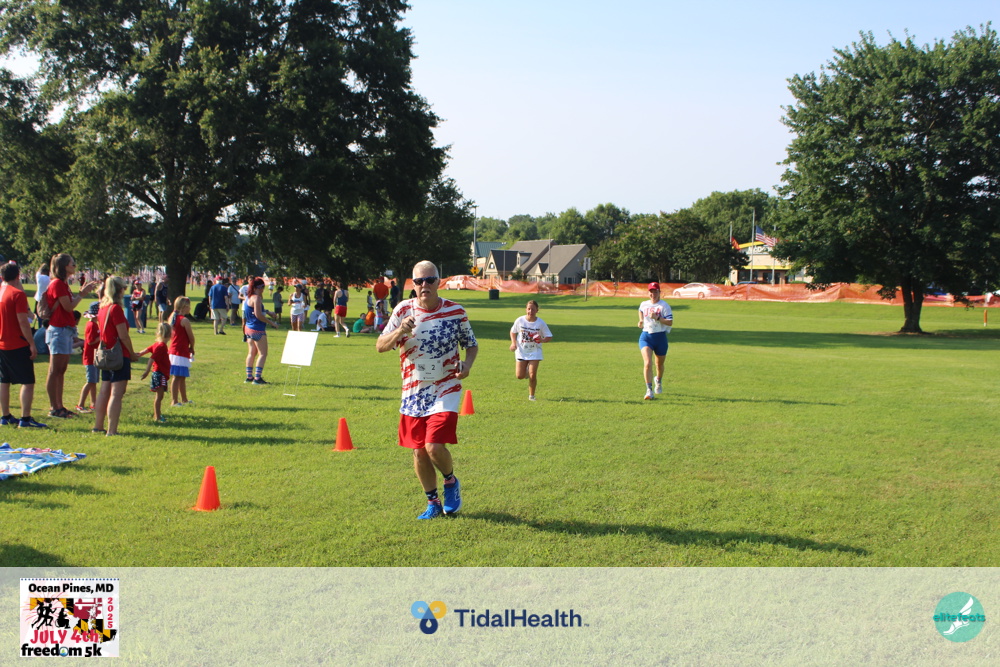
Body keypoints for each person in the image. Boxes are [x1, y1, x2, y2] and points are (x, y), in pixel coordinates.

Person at [377, 260, 478, 519]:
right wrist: (400, 330)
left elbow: (471, 344)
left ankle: (450, 481)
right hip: (413, 392)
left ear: (438, 282)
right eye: (419, 281)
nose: (424, 285)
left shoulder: (455, 311)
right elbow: (380, 346)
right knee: (419, 451)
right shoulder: (403, 310)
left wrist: (467, 365)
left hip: (446, 387)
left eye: (429, 280)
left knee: (433, 446)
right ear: (413, 284)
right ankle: (432, 503)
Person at [45, 254, 100, 419]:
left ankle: (60, 406)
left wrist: (80, 293)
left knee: (61, 371)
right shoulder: (57, 284)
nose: (75, 266)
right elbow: (68, 307)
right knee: (54, 370)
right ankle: (54, 408)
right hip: (58, 330)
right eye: (72, 263)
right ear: (64, 266)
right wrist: (82, 294)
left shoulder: (63, 284)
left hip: (66, 330)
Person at [0, 262, 46, 428]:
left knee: (4, 380)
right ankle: (25, 419)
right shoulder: (17, 294)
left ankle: (5, 416)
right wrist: (31, 343)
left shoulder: (1, 291)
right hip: (17, 342)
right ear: (18, 276)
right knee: (27, 381)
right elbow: (23, 321)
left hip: (2, 342)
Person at [93, 276, 138, 436]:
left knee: (104, 391)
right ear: (120, 290)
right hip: (118, 354)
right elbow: (123, 336)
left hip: (106, 354)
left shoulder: (102, 308)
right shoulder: (115, 309)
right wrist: (132, 353)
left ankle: (98, 425)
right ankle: (112, 430)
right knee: (116, 394)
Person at [509, 300, 553, 401]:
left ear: (537, 310)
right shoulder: (520, 320)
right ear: (526, 309)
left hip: (535, 351)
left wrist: (542, 340)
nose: (530, 311)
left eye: (533, 309)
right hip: (521, 351)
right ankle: (526, 372)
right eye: (529, 309)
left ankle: (531, 396)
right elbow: (513, 332)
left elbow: (549, 336)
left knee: (533, 374)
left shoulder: (540, 323)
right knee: (520, 376)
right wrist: (513, 343)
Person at [637, 281, 673, 400]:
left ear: (659, 292)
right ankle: (649, 390)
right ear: (648, 293)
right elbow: (640, 310)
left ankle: (658, 380)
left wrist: (657, 318)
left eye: (655, 291)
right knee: (647, 363)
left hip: (660, 337)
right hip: (646, 337)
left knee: (659, 364)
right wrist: (641, 320)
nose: (653, 294)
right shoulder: (644, 304)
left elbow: (670, 322)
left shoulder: (664, 306)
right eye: (651, 291)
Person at [243, 277, 278, 384]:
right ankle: (257, 378)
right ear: (258, 288)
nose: (263, 290)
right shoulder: (257, 298)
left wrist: (267, 312)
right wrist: (272, 323)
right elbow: (258, 315)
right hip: (257, 329)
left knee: (251, 353)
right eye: (262, 287)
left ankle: (249, 377)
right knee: (263, 354)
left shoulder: (248, 298)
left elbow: (254, 310)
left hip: (248, 328)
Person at [137, 322, 171, 423]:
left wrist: (135, 355)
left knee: (160, 396)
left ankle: (158, 414)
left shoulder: (157, 344)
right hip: (159, 373)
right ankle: (157, 416)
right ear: (169, 334)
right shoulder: (161, 346)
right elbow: (152, 358)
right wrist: (147, 371)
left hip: (159, 373)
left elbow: (144, 351)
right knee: (159, 396)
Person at [168, 296, 195, 406]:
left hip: (176, 350)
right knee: (177, 376)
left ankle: (184, 399)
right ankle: (174, 401)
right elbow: (191, 337)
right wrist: (192, 346)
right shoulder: (184, 320)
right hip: (179, 352)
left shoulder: (172, 317)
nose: (190, 308)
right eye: (189, 306)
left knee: (182, 376)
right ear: (184, 307)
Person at [75, 302, 100, 414]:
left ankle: (93, 404)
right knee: (90, 381)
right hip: (90, 357)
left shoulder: (95, 325)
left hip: (95, 357)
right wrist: (101, 337)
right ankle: (80, 404)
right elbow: (90, 341)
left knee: (94, 382)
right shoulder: (91, 325)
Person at [34, 262, 50, 329]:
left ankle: (40, 327)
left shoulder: (39, 277)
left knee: (39, 315)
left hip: (38, 299)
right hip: (47, 300)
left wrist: (42, 265)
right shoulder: (50, 279)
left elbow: (38, 272)